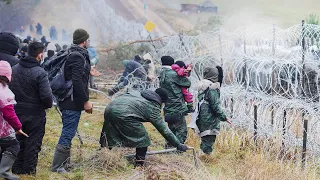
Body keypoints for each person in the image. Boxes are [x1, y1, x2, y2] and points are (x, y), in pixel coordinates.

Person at [99, 88, 188, 167]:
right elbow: (164, 130)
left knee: (109, 132)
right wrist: (178, 144)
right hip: (124, 114)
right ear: (162, 101)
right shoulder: (153, 107)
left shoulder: (139, 93)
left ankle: (102, 154)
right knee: (143, 140)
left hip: (109, 108)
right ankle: (139, 165)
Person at [51, 29, 92, 174]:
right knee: (68, 132)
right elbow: (77, 81)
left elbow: (76, 75)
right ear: (84, 40)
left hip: (69, 99)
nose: (88, 41)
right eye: (87, 39)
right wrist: (85, 101)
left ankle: (65, 164)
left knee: (69, 130)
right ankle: (57, 167)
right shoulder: (78, 56)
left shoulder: (73, 53)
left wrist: (88, 71)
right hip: (71, 101)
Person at [10, 42, 53, 175]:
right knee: (32, 145)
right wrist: (47, 105)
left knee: (17, 143)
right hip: (35, 116)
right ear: (40, 55)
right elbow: (47, 97)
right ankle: (28, 173)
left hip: (16, 113)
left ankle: (16, 170)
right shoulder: (40, 73)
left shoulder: (14, 69)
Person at [0, 61, 28, 180]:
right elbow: (9, 113)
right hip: (2, 128)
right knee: (13, 145)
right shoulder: (4, 91)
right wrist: (18, 127)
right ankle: (4, 171)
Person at [195, 67, 231, 155]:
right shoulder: (212, 88)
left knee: (205, 138)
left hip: (201, 116)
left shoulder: (202, 87)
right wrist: (224, 117)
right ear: (214, 76)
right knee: (209, 140)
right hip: (209, 118)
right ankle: (205, 159)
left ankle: (203, 155)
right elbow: (215, 106)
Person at [159, 56, 191, 147]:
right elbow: (187, 83)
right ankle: (177, 152)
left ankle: (168, 150)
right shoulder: (173, 74)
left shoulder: (161, 73)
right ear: (172, 64)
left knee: (170, 131)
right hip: (177, 108)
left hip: (167, 108)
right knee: (181, 132)